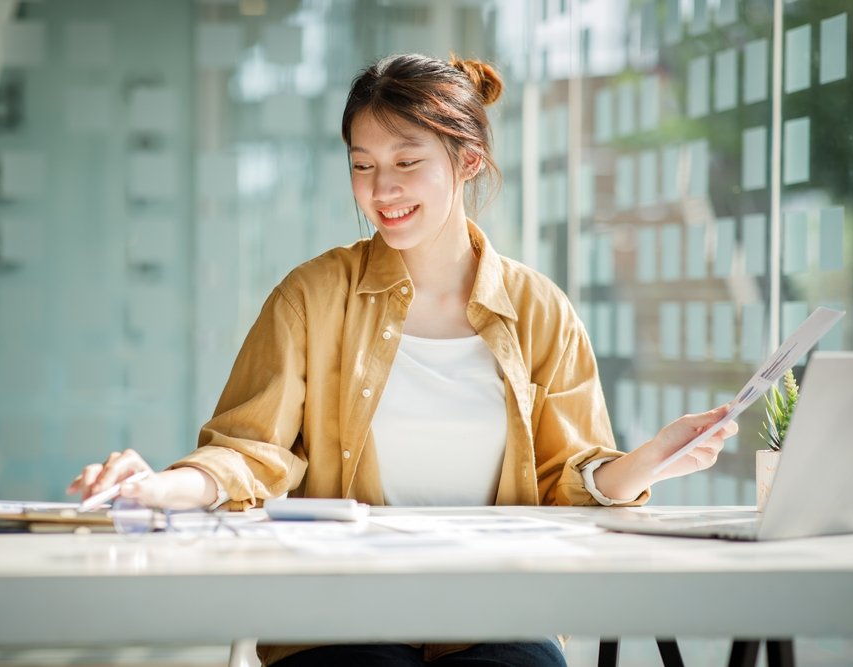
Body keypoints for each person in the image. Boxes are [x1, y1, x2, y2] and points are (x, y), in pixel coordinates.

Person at [68, 53, 738, 667]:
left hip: (496, 614)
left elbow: (571, 479)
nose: (380, 189)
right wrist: (162, 486)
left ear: (467, 161)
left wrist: (649, 460)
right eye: (363, 164)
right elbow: (249, 448)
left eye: (406, 161)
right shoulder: (312, 295)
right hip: (339, 614)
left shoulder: (540, 310)